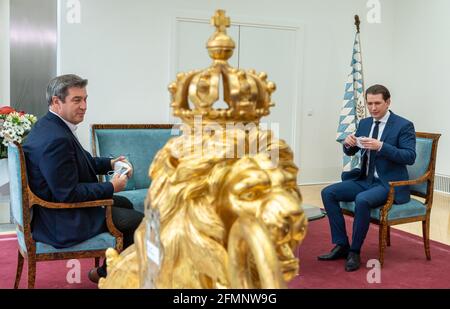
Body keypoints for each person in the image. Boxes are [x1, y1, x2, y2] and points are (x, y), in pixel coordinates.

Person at [23, 74, 144, 282]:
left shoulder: (51, 126)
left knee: (124, 203)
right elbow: (67, 193)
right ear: (56, 101)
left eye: (85, 99)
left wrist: (111, 163)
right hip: (61, 220)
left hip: (55, 213)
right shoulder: (56, 139)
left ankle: (108, 272)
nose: (84, 106)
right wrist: (111, 187)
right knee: (139, 222)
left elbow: (80, 162)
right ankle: (117, 279)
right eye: (77, 100)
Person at [318, 84, 416, 271]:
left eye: (377, 103)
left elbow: (410, 157)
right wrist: (348, 144)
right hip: (365, 179)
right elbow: (353, 150)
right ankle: (341, 245)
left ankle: (354, 251)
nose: (373, 108)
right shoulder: (365, 123)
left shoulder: (404, 125)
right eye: (369, 103)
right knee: (328, 192)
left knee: (361, 200)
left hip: (388, 183)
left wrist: (381, 146)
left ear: (388, 102)